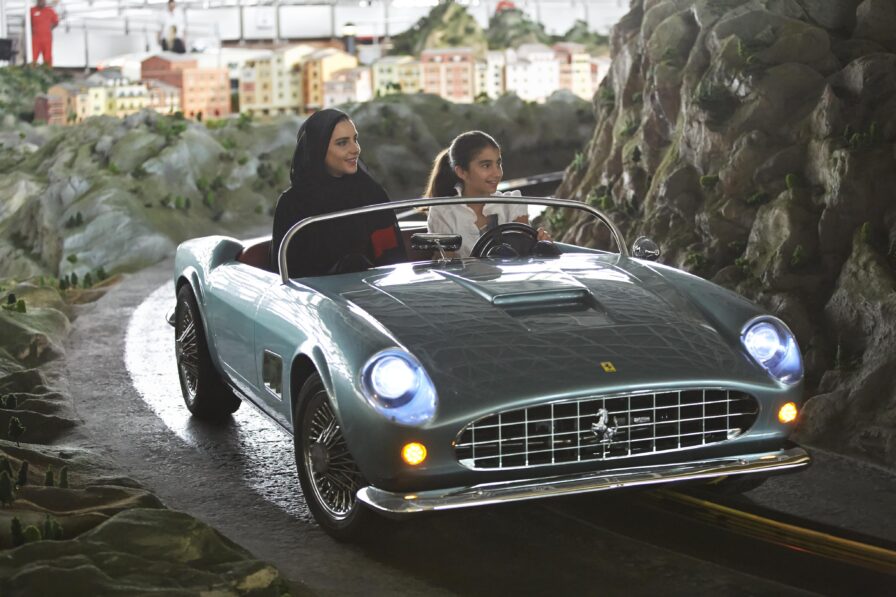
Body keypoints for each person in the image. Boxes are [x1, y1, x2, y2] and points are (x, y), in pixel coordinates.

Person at [271, 108, 405, 278]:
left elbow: (394, 260)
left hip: (377, 295)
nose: (355, 149)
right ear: (317, 148)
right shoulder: (292, 204)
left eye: (355, 139)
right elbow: (287, 276)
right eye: (342, 143)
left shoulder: (371, 194)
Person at [425, 130, 549, 257]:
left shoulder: (512, 203)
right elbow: (450, 266)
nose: (497, 173)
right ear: (462, 172)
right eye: (486, 165)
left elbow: (524, 254)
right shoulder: (442, 212)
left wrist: (541, 245)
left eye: (498, 163)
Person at [30, 0, 59, 66]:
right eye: (40, 1)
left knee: (47, 57)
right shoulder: (32, 10)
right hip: (35, 39)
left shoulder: (50, 11)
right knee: (33, 56)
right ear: (37, 2)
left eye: (43, 1)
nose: (41, 3)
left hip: (47, 39)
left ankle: (48, 72)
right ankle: (31, 72)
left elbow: (56, 22)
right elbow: (28, 22)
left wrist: (50, 28)